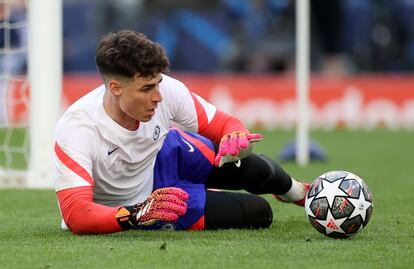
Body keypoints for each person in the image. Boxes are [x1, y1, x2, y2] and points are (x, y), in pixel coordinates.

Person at [53, 30, 309, 235]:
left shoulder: (166, 91)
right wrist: (136, 213)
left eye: (159, 83)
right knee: (258, 213)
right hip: (148, 204)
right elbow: (77, 214)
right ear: (116, 88)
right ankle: (198, 191)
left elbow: (224, 124)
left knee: (256, 169)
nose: (158, 96)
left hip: (166, 155)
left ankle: (302, 194)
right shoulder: (76, 128)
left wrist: (236, 136)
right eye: (146, 89)